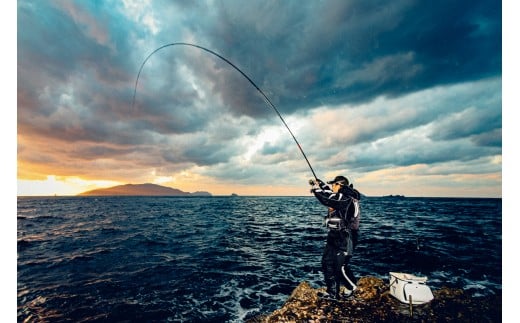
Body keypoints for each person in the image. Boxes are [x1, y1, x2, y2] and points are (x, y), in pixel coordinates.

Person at [310, 175, 361, 300]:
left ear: (340, 185)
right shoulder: (340, 195)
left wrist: (316, 190)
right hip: (334, 236)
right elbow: (329, 193)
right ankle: (332, 293)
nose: (333, 187)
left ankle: (351, 288)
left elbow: (328, 199)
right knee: (327, 263)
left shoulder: (347, 198)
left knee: (340, 267)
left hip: (345, 237)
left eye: (334, 185)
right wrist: (320, 184)